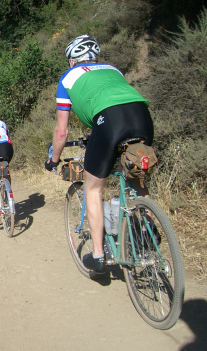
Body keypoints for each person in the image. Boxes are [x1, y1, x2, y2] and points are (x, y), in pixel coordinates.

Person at [45, 35, 154, 273]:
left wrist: (53, 160)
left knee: (93, 188)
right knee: (135, 177)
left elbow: (61, 132)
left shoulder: (67, 78)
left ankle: (97, 256)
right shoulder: (113, 70)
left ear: (72, 60)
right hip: (142, 114)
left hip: (109, 120)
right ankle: (148, 227)